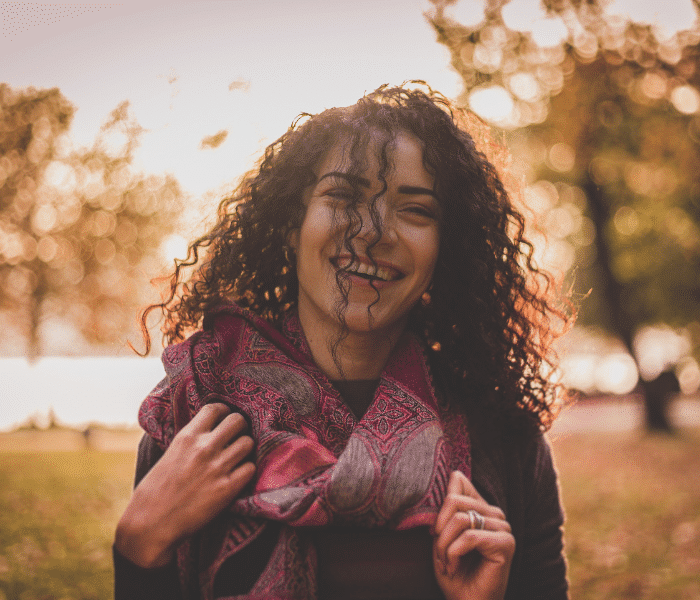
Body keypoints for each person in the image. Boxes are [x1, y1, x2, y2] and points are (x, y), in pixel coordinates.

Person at [114, 82, 572, 600]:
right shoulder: (198, 414)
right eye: (344, 196)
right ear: (293, 223)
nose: (374, 232)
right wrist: (137, 546)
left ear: (449, 245)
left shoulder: (504, 436)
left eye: (415, 210)